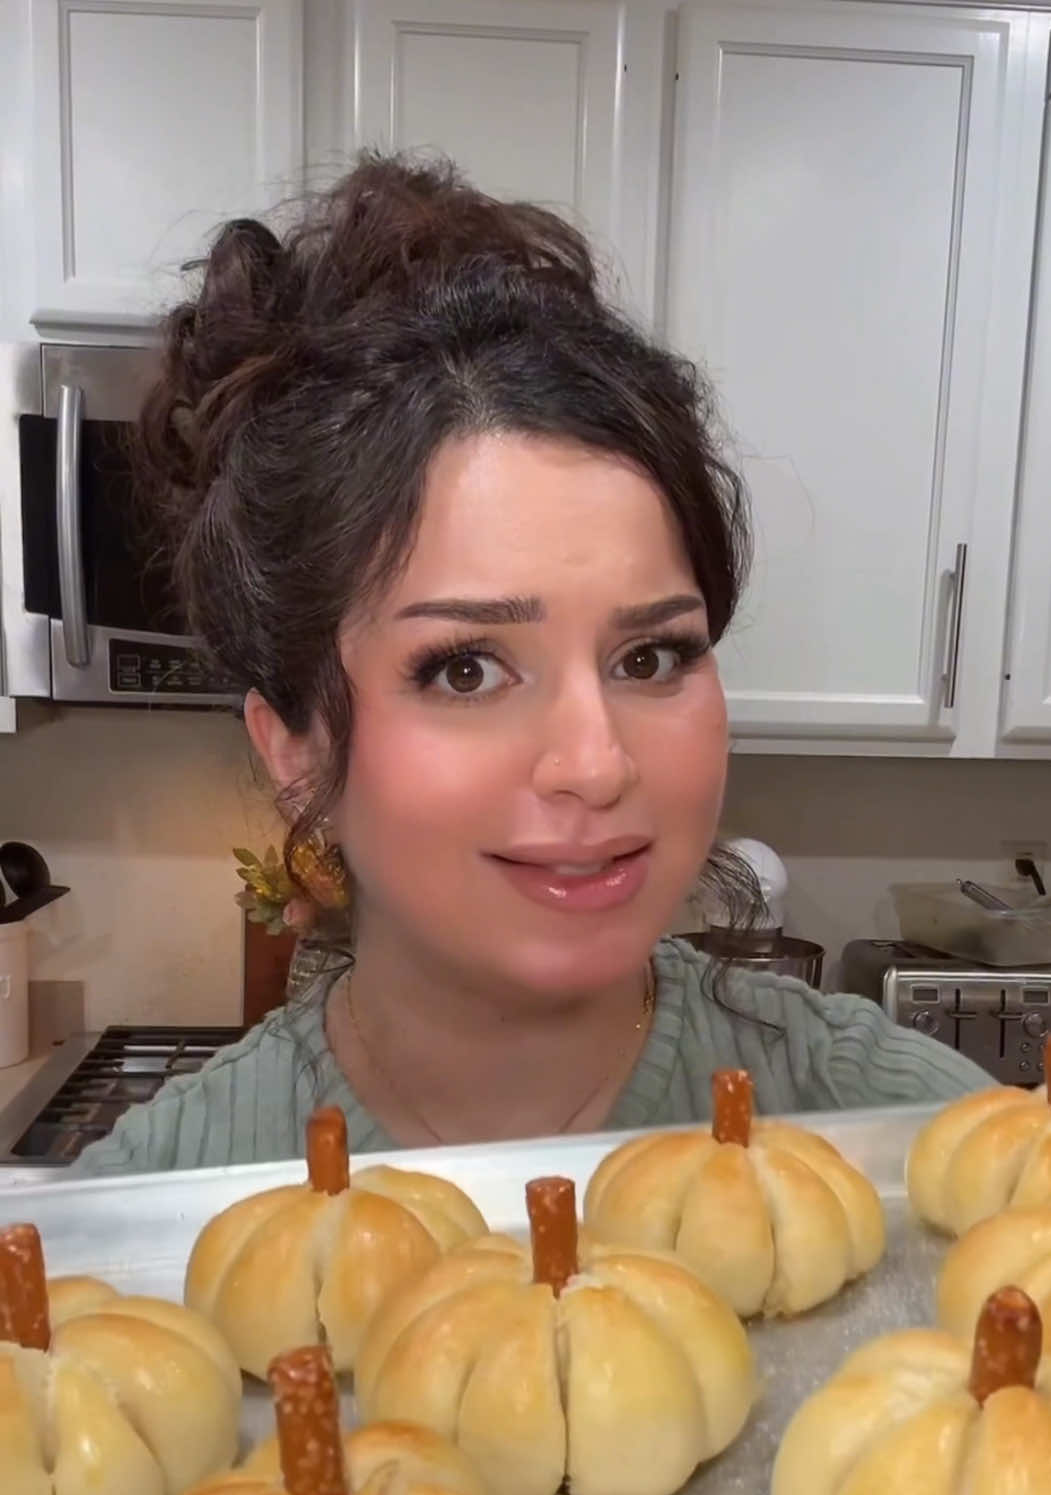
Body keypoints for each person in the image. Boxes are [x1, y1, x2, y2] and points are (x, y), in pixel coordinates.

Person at [76, 151, 990, 1178]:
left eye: (651, 654)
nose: (596, 765)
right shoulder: (156, 1208)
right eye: (466, 669)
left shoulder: (915, 1139)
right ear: (294, 746)